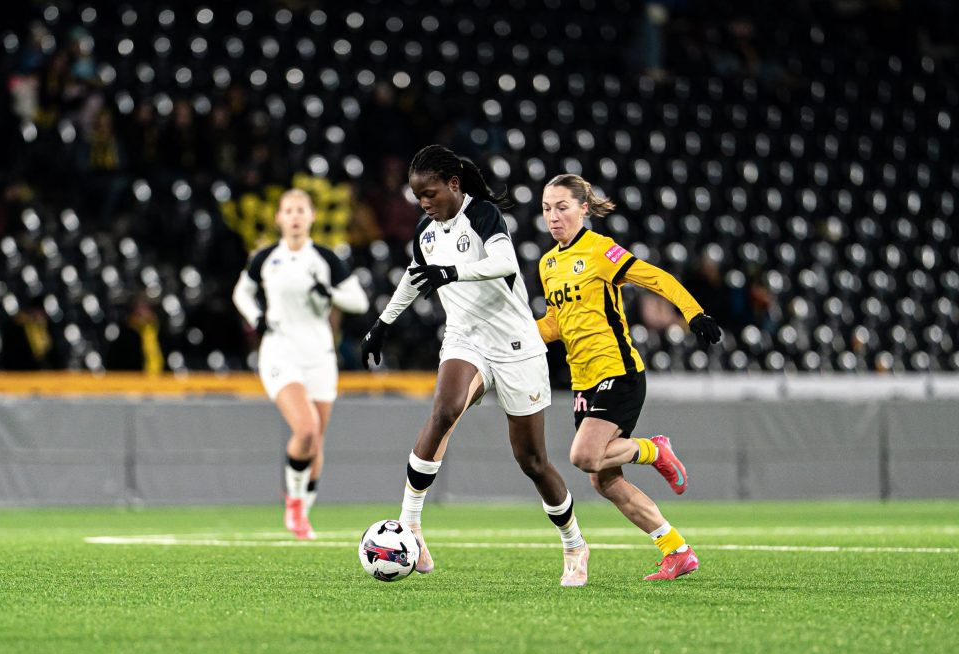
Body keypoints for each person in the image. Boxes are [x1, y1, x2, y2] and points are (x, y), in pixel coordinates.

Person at [360, 145, 591, 587]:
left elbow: (505, 262)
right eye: (417, 196)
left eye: (429, 193)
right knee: (443, 411)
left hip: (516, 346)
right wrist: (382, 323)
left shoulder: (483, 215)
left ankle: (574, 543)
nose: (423, 203)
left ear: (453, 184)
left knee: (532, 460)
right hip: (466, 339)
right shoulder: (427, 232)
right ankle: (410, 525)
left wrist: (452, 272)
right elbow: (414, 275)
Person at [536, 174, 722, 581]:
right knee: (603, 480)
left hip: (618, 372)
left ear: (583, 209)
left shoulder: (600, 250)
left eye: (562, 207)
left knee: (584, 456)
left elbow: (657, 278)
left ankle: (653, 450)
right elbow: (555, 324)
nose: (553, 216)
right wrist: (513, 337)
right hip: (583, 381)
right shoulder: (548, 264)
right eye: (547, 208)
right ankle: (677, 550)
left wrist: (693, 313)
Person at [233, 189, 368, 540]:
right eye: (289, 210)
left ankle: (303, 513)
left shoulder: (325, 258)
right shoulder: (266, 258)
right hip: (280, 351)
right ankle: (293, 502)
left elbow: (359, 301)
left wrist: (330, 293)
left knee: (316, 441)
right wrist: (256, 317)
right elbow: (241, 292)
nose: (294, 216)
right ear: (279, 217)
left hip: (319, 355)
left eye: (301, 210)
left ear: (311, 217)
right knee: (306, 429)